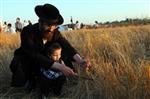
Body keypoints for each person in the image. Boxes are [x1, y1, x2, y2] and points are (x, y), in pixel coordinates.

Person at [9, 3, 90, 98]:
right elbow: (34, 55)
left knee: (60, 49)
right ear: (41, 22)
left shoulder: (54, 32)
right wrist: (60, 67)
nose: (52, 28)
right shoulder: (28, 31)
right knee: (19, 65)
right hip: (29, 60)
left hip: (45, 61)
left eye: (54, 25)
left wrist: (80, 61)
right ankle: (30, 80)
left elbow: (67, 46)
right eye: (49, 25)